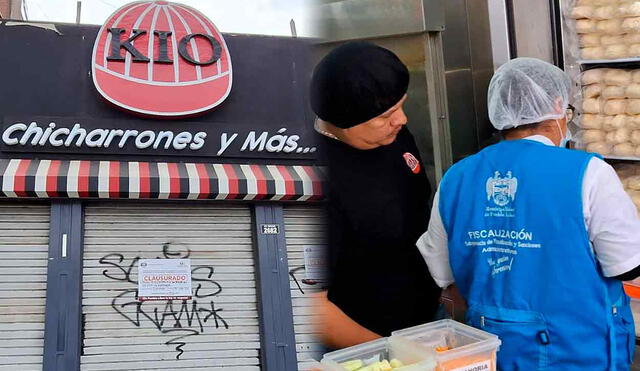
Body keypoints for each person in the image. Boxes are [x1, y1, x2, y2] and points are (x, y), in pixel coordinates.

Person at [417, 57, 640, 370]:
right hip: (576, 352)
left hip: (492, 352)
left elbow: (444, 274)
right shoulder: (588, 172)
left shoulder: (457, 177)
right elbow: (627, 266)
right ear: (559, 105)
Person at [309, 41, 442, 349]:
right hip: (367, 345)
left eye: (401, 106)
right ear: (342, 121)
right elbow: (313, 307)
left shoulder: (393, 135)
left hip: (427, 322)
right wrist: (392, 355)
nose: (402, 120)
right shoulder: (315, 180)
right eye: (386, 115)